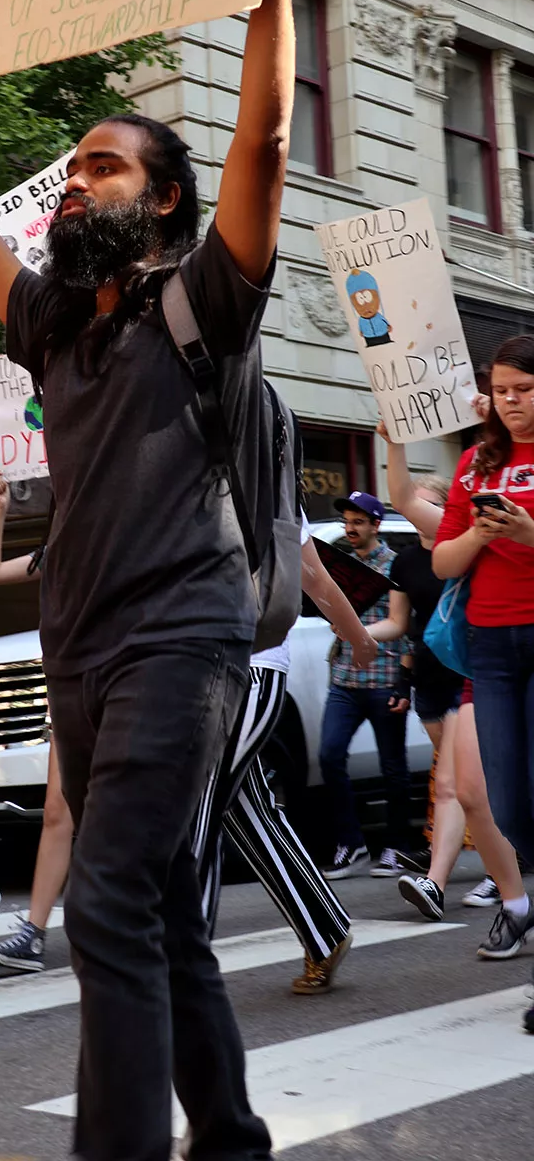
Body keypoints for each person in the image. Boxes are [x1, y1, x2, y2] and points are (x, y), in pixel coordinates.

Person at [0, 0, 320, 1161]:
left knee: (110, 898)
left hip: (184, 639)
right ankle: (228, 1136)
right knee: (165, 910)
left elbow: (270, 139)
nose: (74, 185)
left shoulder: (206, 300)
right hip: (81, 642)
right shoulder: (49, 325)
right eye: (69, 173)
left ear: (164, 196)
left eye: (102, 169)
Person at [193, 514, 377, 995]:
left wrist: (358, 636)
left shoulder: (265, 477)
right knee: (247, 812)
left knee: (196, 805)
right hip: (193, 671)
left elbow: (314, 576)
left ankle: (175, 971)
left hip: (251, 670)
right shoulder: (178, 472)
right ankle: (325, 931)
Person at [376, 426, 525, 933]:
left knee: (476, 788)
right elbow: (398, 498)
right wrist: (393, 441)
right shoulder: (453, 526)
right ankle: (513, 901)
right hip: (472, 661)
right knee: (465, 790)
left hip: (504, 654)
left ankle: (493, 887)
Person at [433, 335, 534, 1027]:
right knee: (510, 806)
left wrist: (529, 535)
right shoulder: (475, 463)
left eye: (523, 391)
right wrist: (480, 533)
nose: (512, 403)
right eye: (501, 392)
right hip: (491, 648)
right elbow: (442, 561)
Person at [0, 470, 72, 974]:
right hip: (69, 694)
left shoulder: (119, 546)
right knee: (57, 812)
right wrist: (0, 510)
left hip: (119, 690)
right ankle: (33, 933)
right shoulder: (54, 554)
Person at [320, 492, 414, 881]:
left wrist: (404, 683)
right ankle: (352, 843)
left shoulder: (394, 566)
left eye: (359, 521)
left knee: (392, 766)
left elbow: (404, 627)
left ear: (376, 525)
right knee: (329, 755)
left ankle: (396, 846)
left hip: (382, 678)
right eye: (347, 521)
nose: (350, 528)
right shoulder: (342, 566)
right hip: (344, 679)